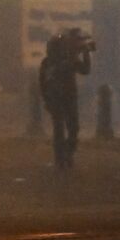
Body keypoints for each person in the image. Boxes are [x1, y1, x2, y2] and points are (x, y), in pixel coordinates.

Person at [39, 29, 93, 169]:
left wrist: (85, 53)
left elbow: (85, 70)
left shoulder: (67, 60)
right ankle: (61, 158)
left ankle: (66, 154)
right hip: (58, 98)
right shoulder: (50, 63)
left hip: (67, 97)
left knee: (72, 128)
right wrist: (47, 100)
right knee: (61, 128)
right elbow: (43, 84)